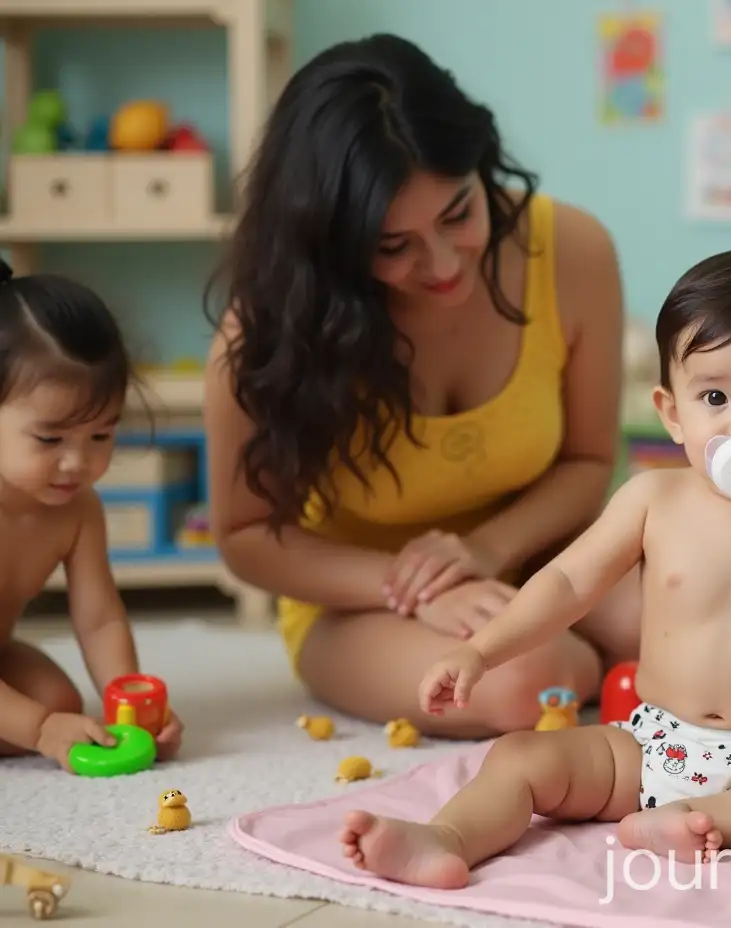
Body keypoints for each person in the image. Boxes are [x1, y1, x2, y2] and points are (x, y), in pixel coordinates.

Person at [335, 247, 731, 888]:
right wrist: (481, 650)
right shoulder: (652, 500)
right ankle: (445, 838)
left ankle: (696, 822)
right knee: (522, 756)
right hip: (653, 743)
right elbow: (566, 584)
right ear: (673, 413)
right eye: (715, 396)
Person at [202, 34, 640, 737]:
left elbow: (588, 463)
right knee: (523, 681)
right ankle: (603, 661)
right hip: (361, 601)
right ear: (330, 243)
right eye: (391, 245)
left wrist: (486, 552)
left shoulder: (573, 250)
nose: (441, 265)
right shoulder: (267, 330)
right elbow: (247, 536)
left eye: (457, 213)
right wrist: (413, 587)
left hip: (541, 556)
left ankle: (610, 654)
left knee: (728, 621)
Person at [0, 260, 183, 771]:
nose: (77, 462)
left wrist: (131, 706)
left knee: (59, 702)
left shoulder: (78, 510)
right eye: (50, 439)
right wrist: (38, 729)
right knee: (41, 720)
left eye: (101, 435)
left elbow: (100, 620)